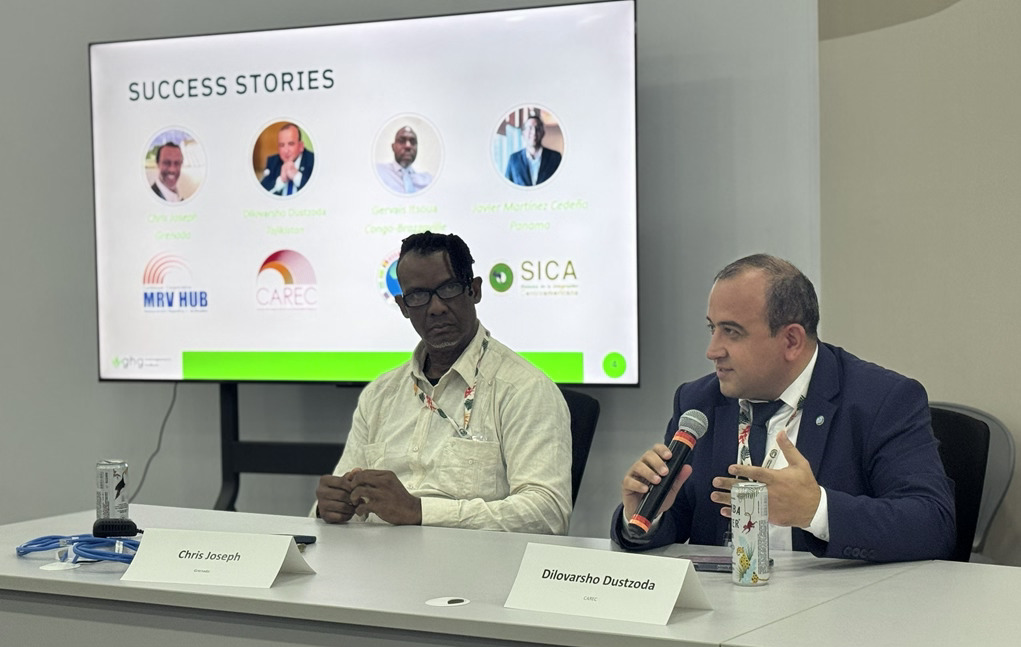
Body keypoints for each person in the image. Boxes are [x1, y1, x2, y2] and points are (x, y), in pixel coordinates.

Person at [611, 254, 955, 562]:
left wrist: (815, 510)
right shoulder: (698, 403)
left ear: (791, 340)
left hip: (836, 604)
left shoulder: (880, 400)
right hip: (721, 601)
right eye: (712, 328)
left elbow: (932, 524)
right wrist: (644, 514)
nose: (712, 350)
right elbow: (677, 519)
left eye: (731, 332)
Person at [315, 232, 572, 534]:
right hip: (373, 557)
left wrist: (419, 511)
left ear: (474, 290)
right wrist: (329, 507)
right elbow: (341, 497)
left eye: (448, 289)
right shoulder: (380, 395)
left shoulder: (524, 389)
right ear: (403, 307)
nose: (436, 307)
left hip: (470, 561)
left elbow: (548, 513)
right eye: (418, 296)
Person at [504, 115, 562, 187]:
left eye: (538, 128)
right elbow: (507, 187)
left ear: (543, 133)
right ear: (523, 133)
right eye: (530, 128)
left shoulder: (555, 158)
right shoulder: (514, 159)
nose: (534, 132)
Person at [260, 123, 314, 196]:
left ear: (301, 146)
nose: (286, 150)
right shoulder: (273, 161)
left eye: (291, 144)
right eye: (281, 145)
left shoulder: (314, 161)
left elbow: (319, 194)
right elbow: (261, 194)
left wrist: (297, 177)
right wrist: (280, 181)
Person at [376, 126, 433, 194]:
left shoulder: (428, 180)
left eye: (413, 142)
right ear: (393, 147)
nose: (408, 146)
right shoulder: (377, 172)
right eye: (401, 141)